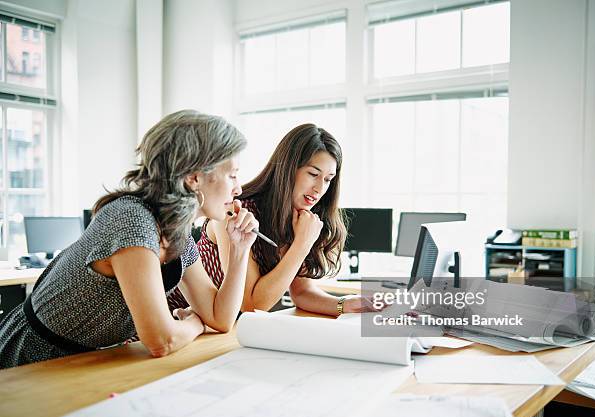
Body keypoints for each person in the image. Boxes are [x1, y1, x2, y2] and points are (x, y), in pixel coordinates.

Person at [0, 110, 258, 368]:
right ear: (194, 177)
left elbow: (220, 318)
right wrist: (192, 324)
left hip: (87, 360)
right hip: (29, 356)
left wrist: (239, 250)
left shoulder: (177, 234)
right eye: (232, 175)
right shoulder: (133, 221)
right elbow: (162, 340)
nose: (238, 189)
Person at [168, 123, 379, 317]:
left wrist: (345, 304)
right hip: (177, 319)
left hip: (224, 329)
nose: (319, 189)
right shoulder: (236, 213)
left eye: (327, 180)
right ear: (288, 169)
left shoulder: (302, 220)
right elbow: (250, 304)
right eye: (313, 174)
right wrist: (301, 245)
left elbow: (302, 292)